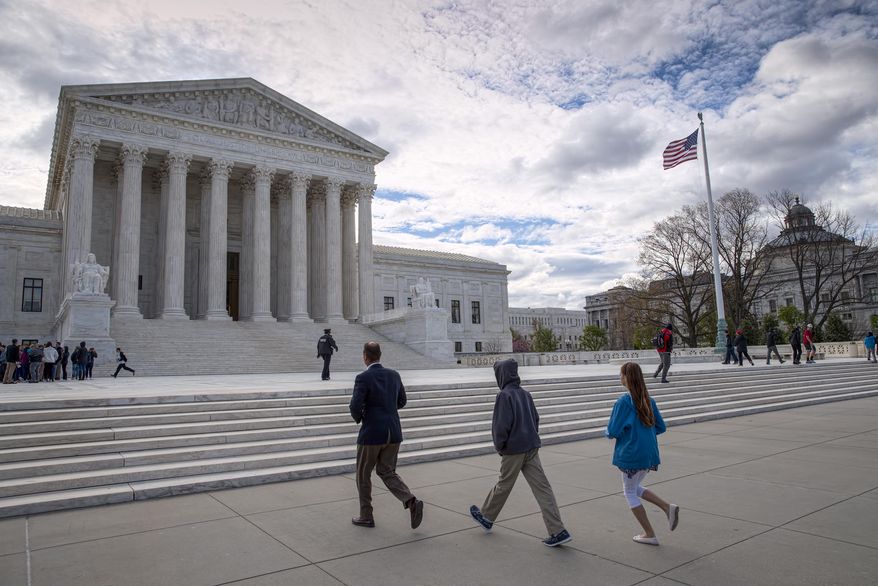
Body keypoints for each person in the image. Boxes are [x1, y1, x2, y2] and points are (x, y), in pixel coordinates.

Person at [469, 358, 571, 547]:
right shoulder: (525, 394)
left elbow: (500, 427)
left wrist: (500, 447)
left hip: (514, 449)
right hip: (531, 446)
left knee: (504, 484)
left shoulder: (504, 396)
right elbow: (536, 419)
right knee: (543, 488)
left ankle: (486, 516)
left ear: (501, 375)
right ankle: (558, 530)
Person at [349, 341, 423, 530]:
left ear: (365, 356)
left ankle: (366, 516)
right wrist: (388, 410)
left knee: (363, 475)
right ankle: (410, 500)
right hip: (394, 432)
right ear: (379, 355)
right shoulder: (394, 375)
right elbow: (402, 401)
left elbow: (355, 407)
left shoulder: (363, 378)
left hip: (372, 433)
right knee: (386, 471)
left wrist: (363, 416)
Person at [606, 362, 679, 546]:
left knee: (629, 491)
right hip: (648, 453)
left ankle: (649, 533)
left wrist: (613, 433)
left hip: (632, 453)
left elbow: (613, 431)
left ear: (626, 377)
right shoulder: (648, 399)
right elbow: (660, 427)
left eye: (621, 374)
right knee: (634, 486)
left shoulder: (623, 402)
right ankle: (667, 507)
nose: (619, 377)